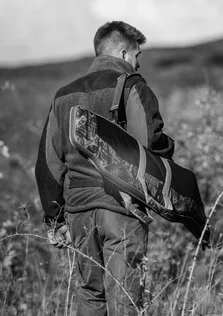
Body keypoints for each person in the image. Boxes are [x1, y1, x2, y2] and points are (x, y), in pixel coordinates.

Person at [35, 21, 175, 315]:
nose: (138, 64)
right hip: (121, 208)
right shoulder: (133, 86)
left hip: (78, 213)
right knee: (124, 295)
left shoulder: (63, 96)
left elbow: (48, 163)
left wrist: (54, 219)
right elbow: (149, 144)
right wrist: (169, 148)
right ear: (124, 53)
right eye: (137, 56)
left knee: (90, 294)